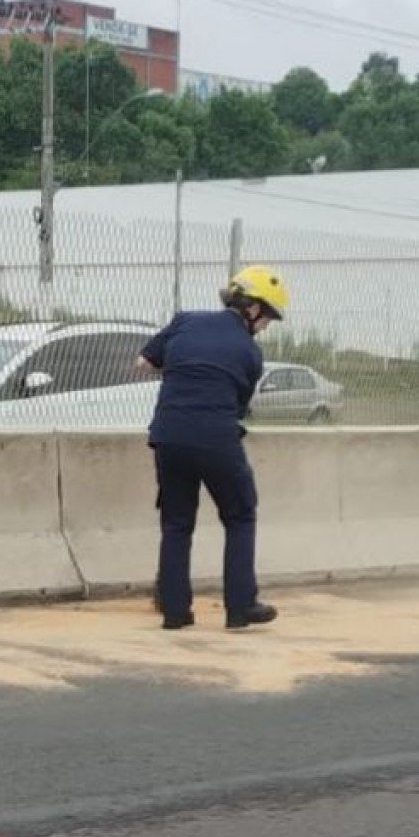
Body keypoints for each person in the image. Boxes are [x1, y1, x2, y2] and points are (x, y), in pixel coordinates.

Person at [139, 266, 289, 630]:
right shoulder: (251, 354)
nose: (266, 325)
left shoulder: (184, 321)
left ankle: (175, 612)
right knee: (240, 515)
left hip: (168, 435)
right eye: (268, 317)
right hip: (216, 438)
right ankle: (240, 607)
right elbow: (239, 404)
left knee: (176, 523)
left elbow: (143, 362)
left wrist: (181, 370)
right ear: (252, 309)